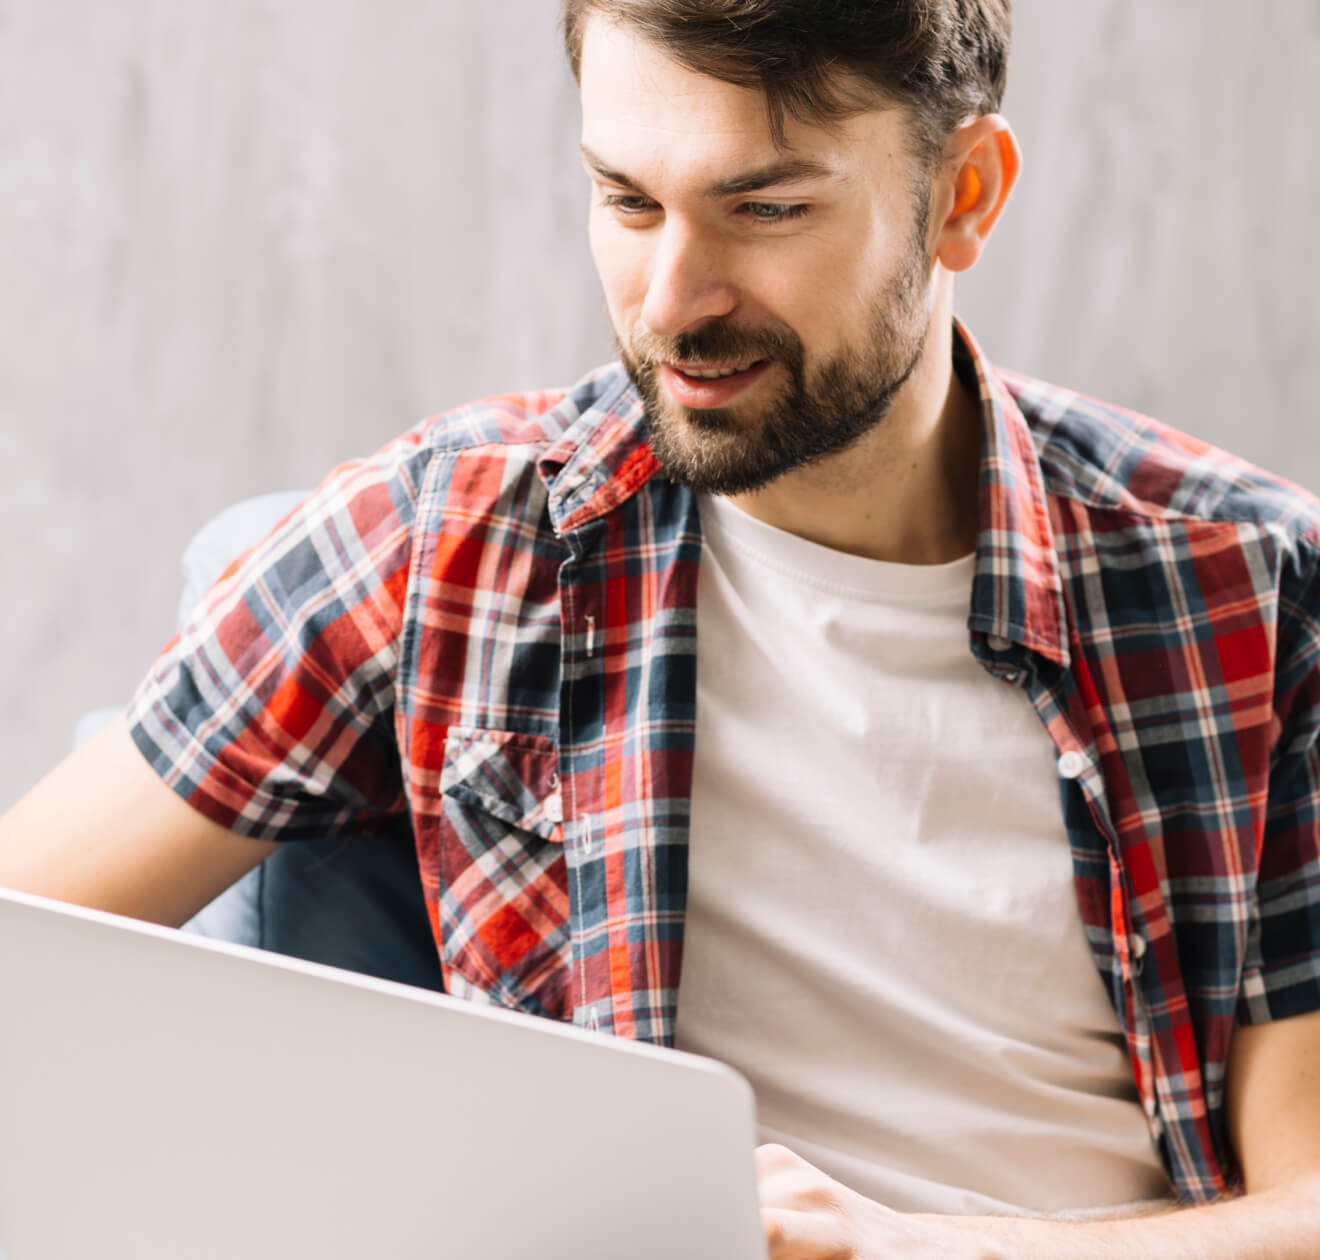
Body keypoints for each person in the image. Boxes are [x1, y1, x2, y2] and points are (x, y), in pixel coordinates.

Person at [3, 0, 1319, 1253]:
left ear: (962, 194)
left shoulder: (1248, 588)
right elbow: (26, 947)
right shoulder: (448, 545)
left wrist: (925, 1248)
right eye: (628, 201)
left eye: (768, 209)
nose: (673, 301)